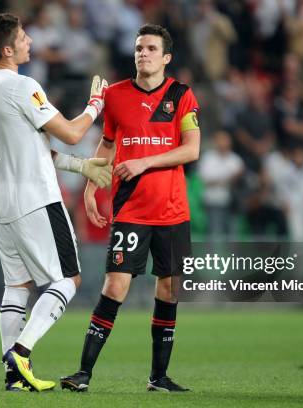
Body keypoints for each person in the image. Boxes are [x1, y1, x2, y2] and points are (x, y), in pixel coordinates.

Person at [0, 13, 111, 392]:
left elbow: (33, 148)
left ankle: (12, 376)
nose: (30, 41)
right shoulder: (22, 86)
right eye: (22, 37)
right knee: (67, 280)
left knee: (17, 286)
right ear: (7, 49)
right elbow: (70, 132)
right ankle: (21, 350)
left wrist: (81, 166)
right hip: (37, 201)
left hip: (4, 206)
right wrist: (96, 104)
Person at [61, 24, 200, 393]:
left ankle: (159, 378)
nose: (143, 54)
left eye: (151, 48)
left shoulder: (181, 95)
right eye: (139, 48)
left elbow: (192, 149)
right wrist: (91, 186)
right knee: (115, 286)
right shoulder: (116, 95)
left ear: (166, 57)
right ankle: (83, 373)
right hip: (131, 210)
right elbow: (107, 145)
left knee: (169, 290)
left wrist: (144, 162)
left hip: (173, 212)